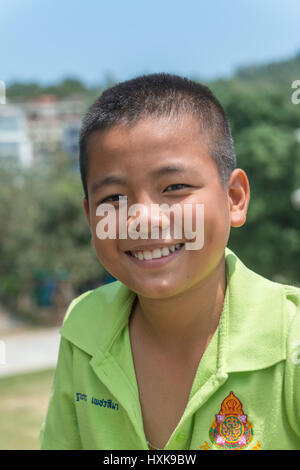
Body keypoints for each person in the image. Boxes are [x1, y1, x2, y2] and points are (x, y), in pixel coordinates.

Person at [39, 74, 300, 450]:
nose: (144, 218)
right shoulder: (85, 329)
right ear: (90, 217)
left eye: (175, 187)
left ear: (235, 198)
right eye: (113, 197)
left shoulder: (289, 340)